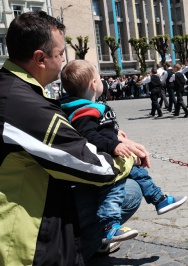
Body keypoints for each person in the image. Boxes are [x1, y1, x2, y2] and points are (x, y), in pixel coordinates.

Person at [0, 11, 150, 265]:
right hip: (22, 241)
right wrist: (129, 155)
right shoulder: (24, 105)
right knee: (130, 190)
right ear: (40, 58)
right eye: (59, 54)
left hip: (21, 195)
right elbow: (95, 167)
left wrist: (111, 138)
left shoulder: (11, 87)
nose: (62, 60)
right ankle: (88, 244)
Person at [60, 59, 187, 240]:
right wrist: (114, 144)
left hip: (113, 153)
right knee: (114, 190)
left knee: (139, 173)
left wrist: (115, 133)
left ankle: (159, 199)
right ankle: (110, 226)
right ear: (93, 84)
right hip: (105, 160)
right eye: (99, 76)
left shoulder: (88, 107)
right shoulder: (83, 110)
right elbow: (88, 135)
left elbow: (99, 128)